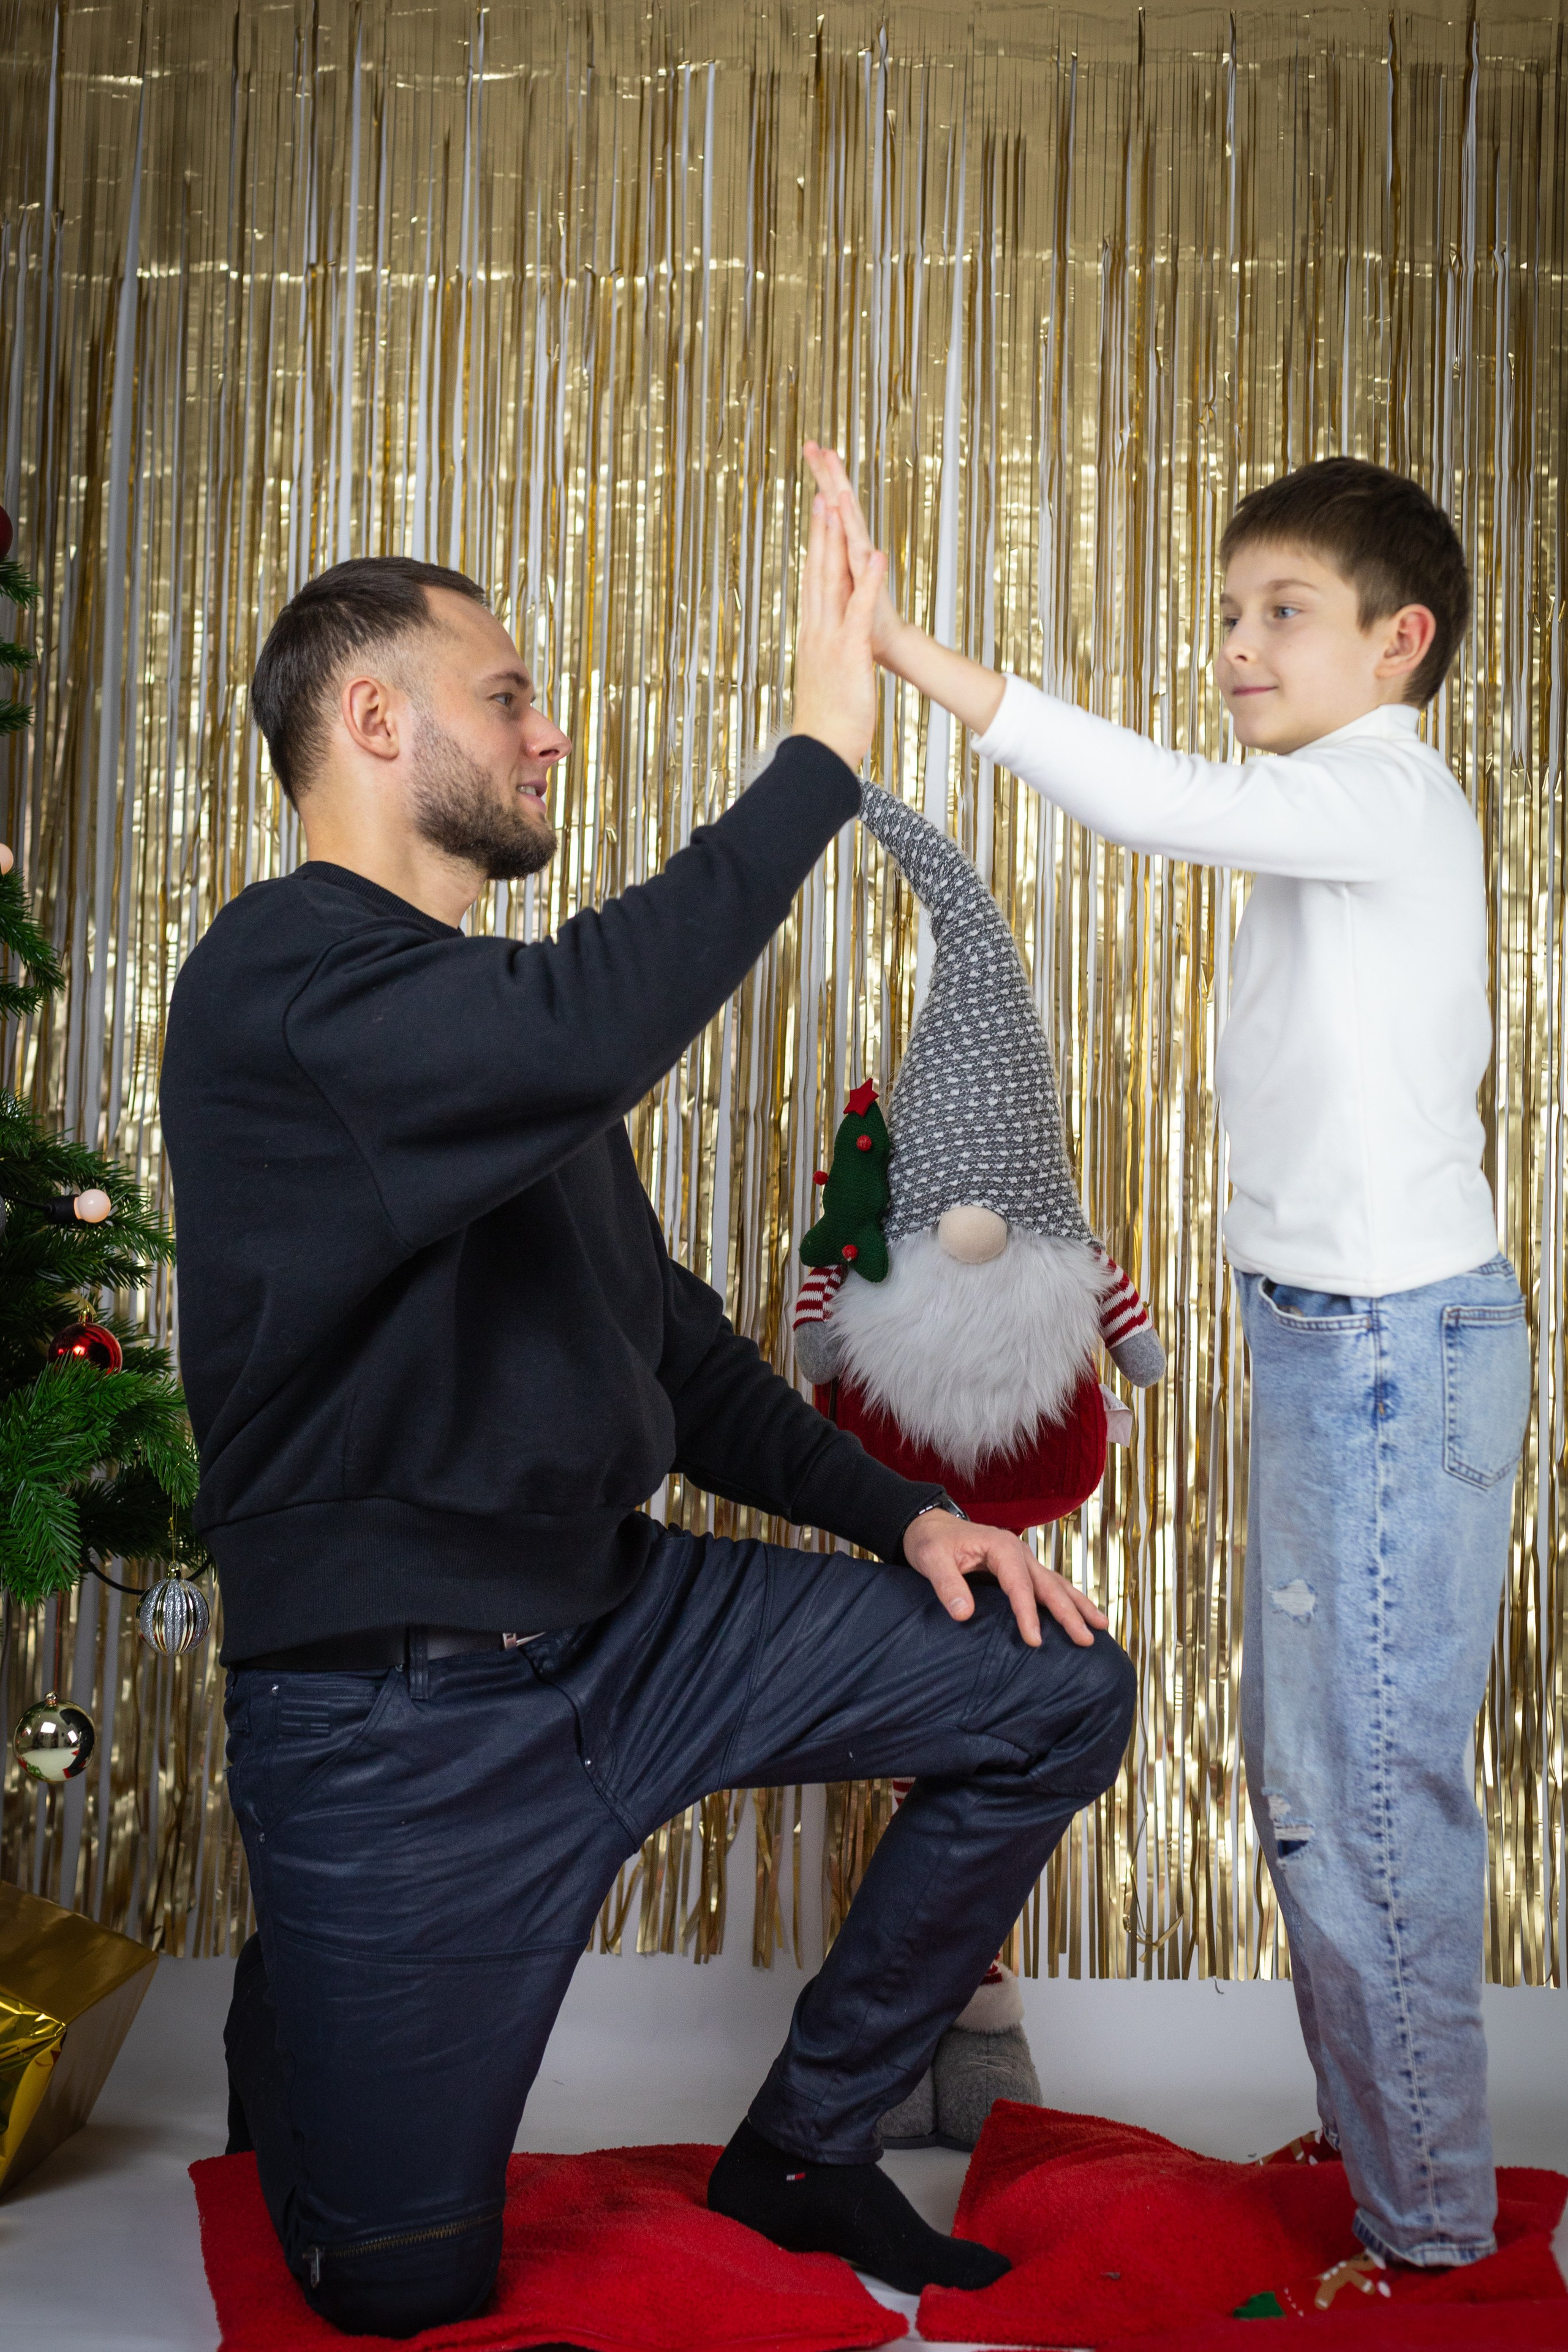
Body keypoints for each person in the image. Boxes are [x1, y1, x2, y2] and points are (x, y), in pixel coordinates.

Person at [159, 496, 1136, 2339]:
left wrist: (909, 1520)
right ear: (374, 723)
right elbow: (586, 1024)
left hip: (636, 1625)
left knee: (1054, 1682)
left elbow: (672, 1354)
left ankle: (809, 2141)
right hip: (398, 1716)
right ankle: (320, 1991)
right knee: (394, 2293)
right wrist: (820, 754)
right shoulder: (273, 987)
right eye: (508, 694)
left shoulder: (488, 1024)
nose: (550, 732)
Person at [807, 443, 1531, 2300]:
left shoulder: (1382, 789)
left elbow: (1148, 805)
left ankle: (1433, 2228)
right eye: (1225, 614)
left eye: (1283, 612)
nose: (1236, 647)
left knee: (1359, 1797)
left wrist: (916, 659)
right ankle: (1402, 2155)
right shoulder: (1339, 802)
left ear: (1401, 642)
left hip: (1387, 1356)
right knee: (1320, 1778)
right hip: (1336, 1350)